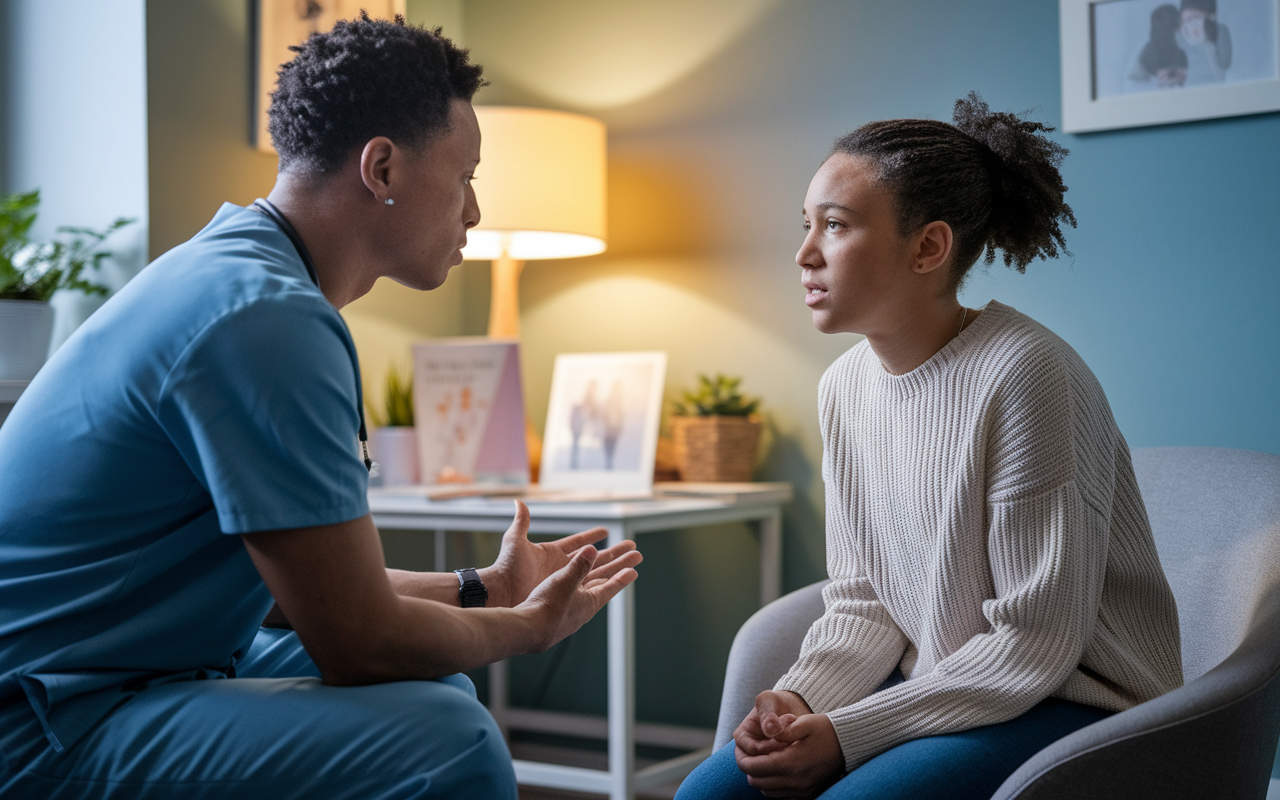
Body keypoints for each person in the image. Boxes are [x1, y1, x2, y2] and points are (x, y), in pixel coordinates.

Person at [0, 15, 641, 800]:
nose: (473, 212)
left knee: (440, 690)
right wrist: (526, 629)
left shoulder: (240, 271)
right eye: (466, 175)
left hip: (132, 663)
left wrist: (488, 590)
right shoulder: (263, 317)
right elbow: (357, 641)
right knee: (446, 742)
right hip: (40, 713)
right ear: (382, 168)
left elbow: (303, 592)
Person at [676, 93, 1183, 800]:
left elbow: (1035, 641)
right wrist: (799, 701)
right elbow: (864, 602)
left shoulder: (1027, 374)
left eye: (836, 225)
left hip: (1074, 700)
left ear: (929, 247)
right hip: (950, 682)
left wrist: (850, 735)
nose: (804, 253)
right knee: (709, 796)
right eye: (806, 225)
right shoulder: (845, 388)